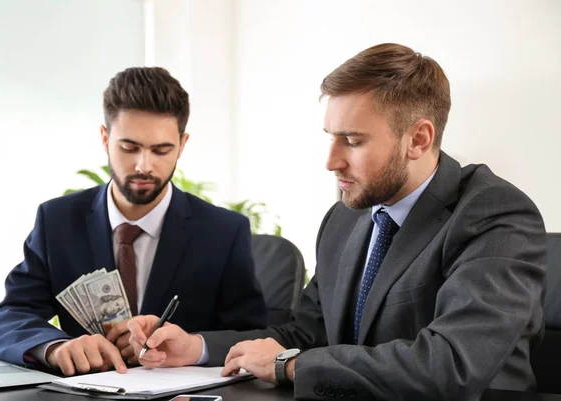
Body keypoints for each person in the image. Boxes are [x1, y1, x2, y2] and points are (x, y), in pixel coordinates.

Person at [126, 44, 547, 400]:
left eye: (353, 140)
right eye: (331, 136)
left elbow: (451, 365)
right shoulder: (347, 218)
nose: (331, 161)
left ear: (419, 139)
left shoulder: (494, 213)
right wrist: (196, 348)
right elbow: (308, 333)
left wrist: (288, 365)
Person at [0, 66, 267, 377]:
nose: (144, 166)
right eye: (129, 148)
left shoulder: (224, 232)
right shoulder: (57, 222)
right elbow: (9, 317)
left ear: (182, 145)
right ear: (105, 138)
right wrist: (54, 348)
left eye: (161, 150)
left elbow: (251, 337)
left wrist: (193, 345)